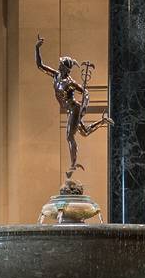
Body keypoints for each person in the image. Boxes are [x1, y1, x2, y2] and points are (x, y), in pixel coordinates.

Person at [35, 34, 113, 178]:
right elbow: (40, 66)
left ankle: (72, 167)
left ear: (66, 69)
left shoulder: (70, 82)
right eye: (60, 64)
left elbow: (86, 92)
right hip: (70, 110)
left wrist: (84, 106)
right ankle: (103, 121)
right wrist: (37, 48)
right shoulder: (56, 75)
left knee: (70, 136)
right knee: (84, 132)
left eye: (61, 65)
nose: (59, 66)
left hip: (74, 108)